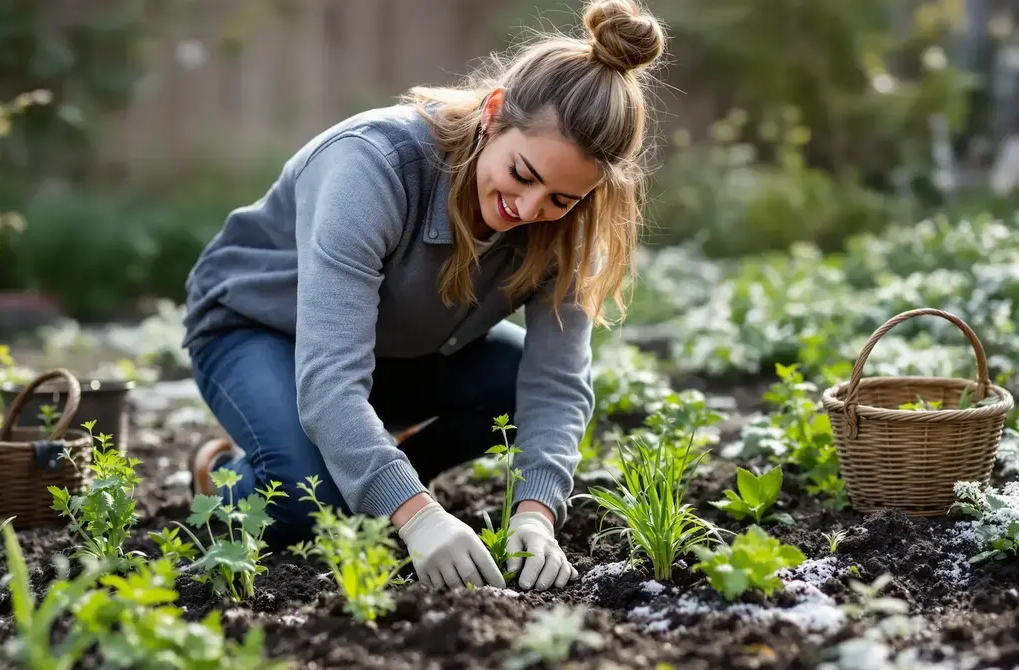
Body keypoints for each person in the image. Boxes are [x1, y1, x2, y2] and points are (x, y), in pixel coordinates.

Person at [181, 0, 665, 592]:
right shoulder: (372, 167)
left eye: (561, 199)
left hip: (389, 348)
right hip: (257, 330)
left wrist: (536, 514)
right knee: (310, 503)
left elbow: (557, 382)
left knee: (512, 379)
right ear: (494, 114)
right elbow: (329, 378)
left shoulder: (568, 223)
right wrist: (417, 518)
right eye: (523, 174)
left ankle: (378, 474)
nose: (528, 209)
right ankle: (224, 478)